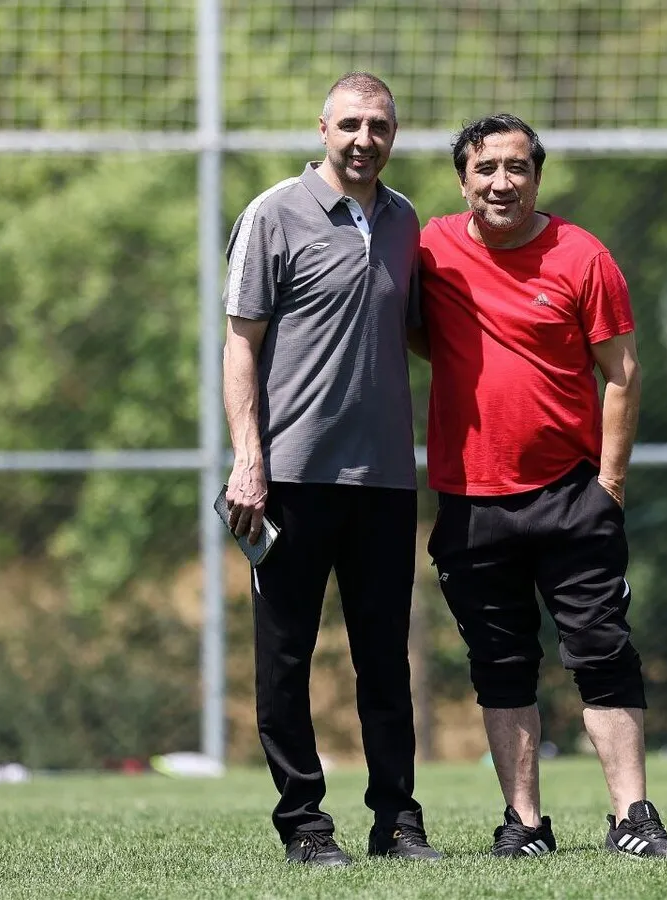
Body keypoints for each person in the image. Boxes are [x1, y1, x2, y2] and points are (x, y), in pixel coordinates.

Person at [418, 113, 667, 859]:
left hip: (573, 495)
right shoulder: (432, 250)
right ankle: (525, 825)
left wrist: (609, 485)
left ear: (538, 177)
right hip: (471, 501)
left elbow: (623, 374)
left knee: (603, 651)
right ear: (463, 181)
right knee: (500, 664)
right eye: (485, 168)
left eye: (517, 167)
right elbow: (416, 331)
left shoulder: (583, 256)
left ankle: (633, 818)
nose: (501, 182)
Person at [221, 72, 439, 867]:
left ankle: (398, 823)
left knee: (384, 661)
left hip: (384, 481)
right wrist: (249, 463)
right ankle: (305, 827)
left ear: (393, 134)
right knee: (285, 662)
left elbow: (415, 332)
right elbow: (240, 346)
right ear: (322, 129)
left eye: (378, 126)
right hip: (289, 480)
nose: (363, 139)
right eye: (350, 124)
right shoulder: (273, 214)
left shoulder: (405, 221)